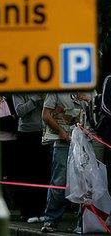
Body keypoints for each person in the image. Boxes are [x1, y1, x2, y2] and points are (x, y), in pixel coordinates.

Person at [40, 92, 94, 233]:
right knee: (59, 180)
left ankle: (82, 223)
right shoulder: (56, 91)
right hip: (63, 142)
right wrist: (61, 132)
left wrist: (90, 100)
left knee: (85, 182)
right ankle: (51, 220)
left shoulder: (90, 91)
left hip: (85, 143)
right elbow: (46, 115)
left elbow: (98, 113)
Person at [12, 93, 50, 223]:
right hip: (26, 133)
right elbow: (19, 111)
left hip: (44, 132)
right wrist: (35, 99)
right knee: (27, 173)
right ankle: (28, 211)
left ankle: (42, 209)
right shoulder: (20, 90)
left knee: (43, 172)